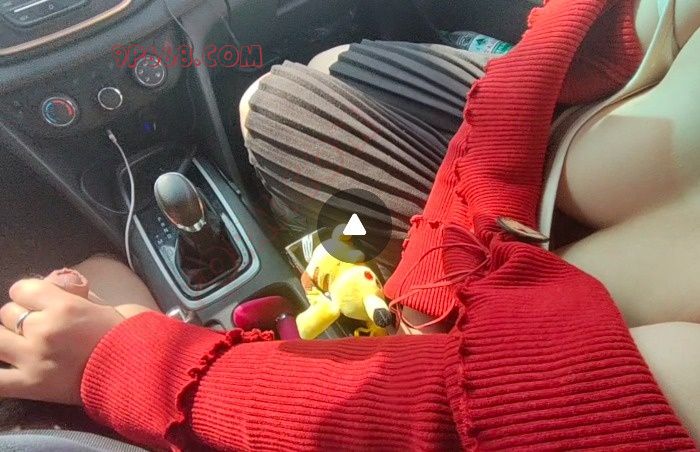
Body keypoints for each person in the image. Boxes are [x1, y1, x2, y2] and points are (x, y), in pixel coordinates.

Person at [0, 0, 698, 450]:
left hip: (504, 342)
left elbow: (458, 419)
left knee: (103, 280)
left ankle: (386, 318)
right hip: (517, 173)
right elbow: (612, 35)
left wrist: (127, 361)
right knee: (284, 95)